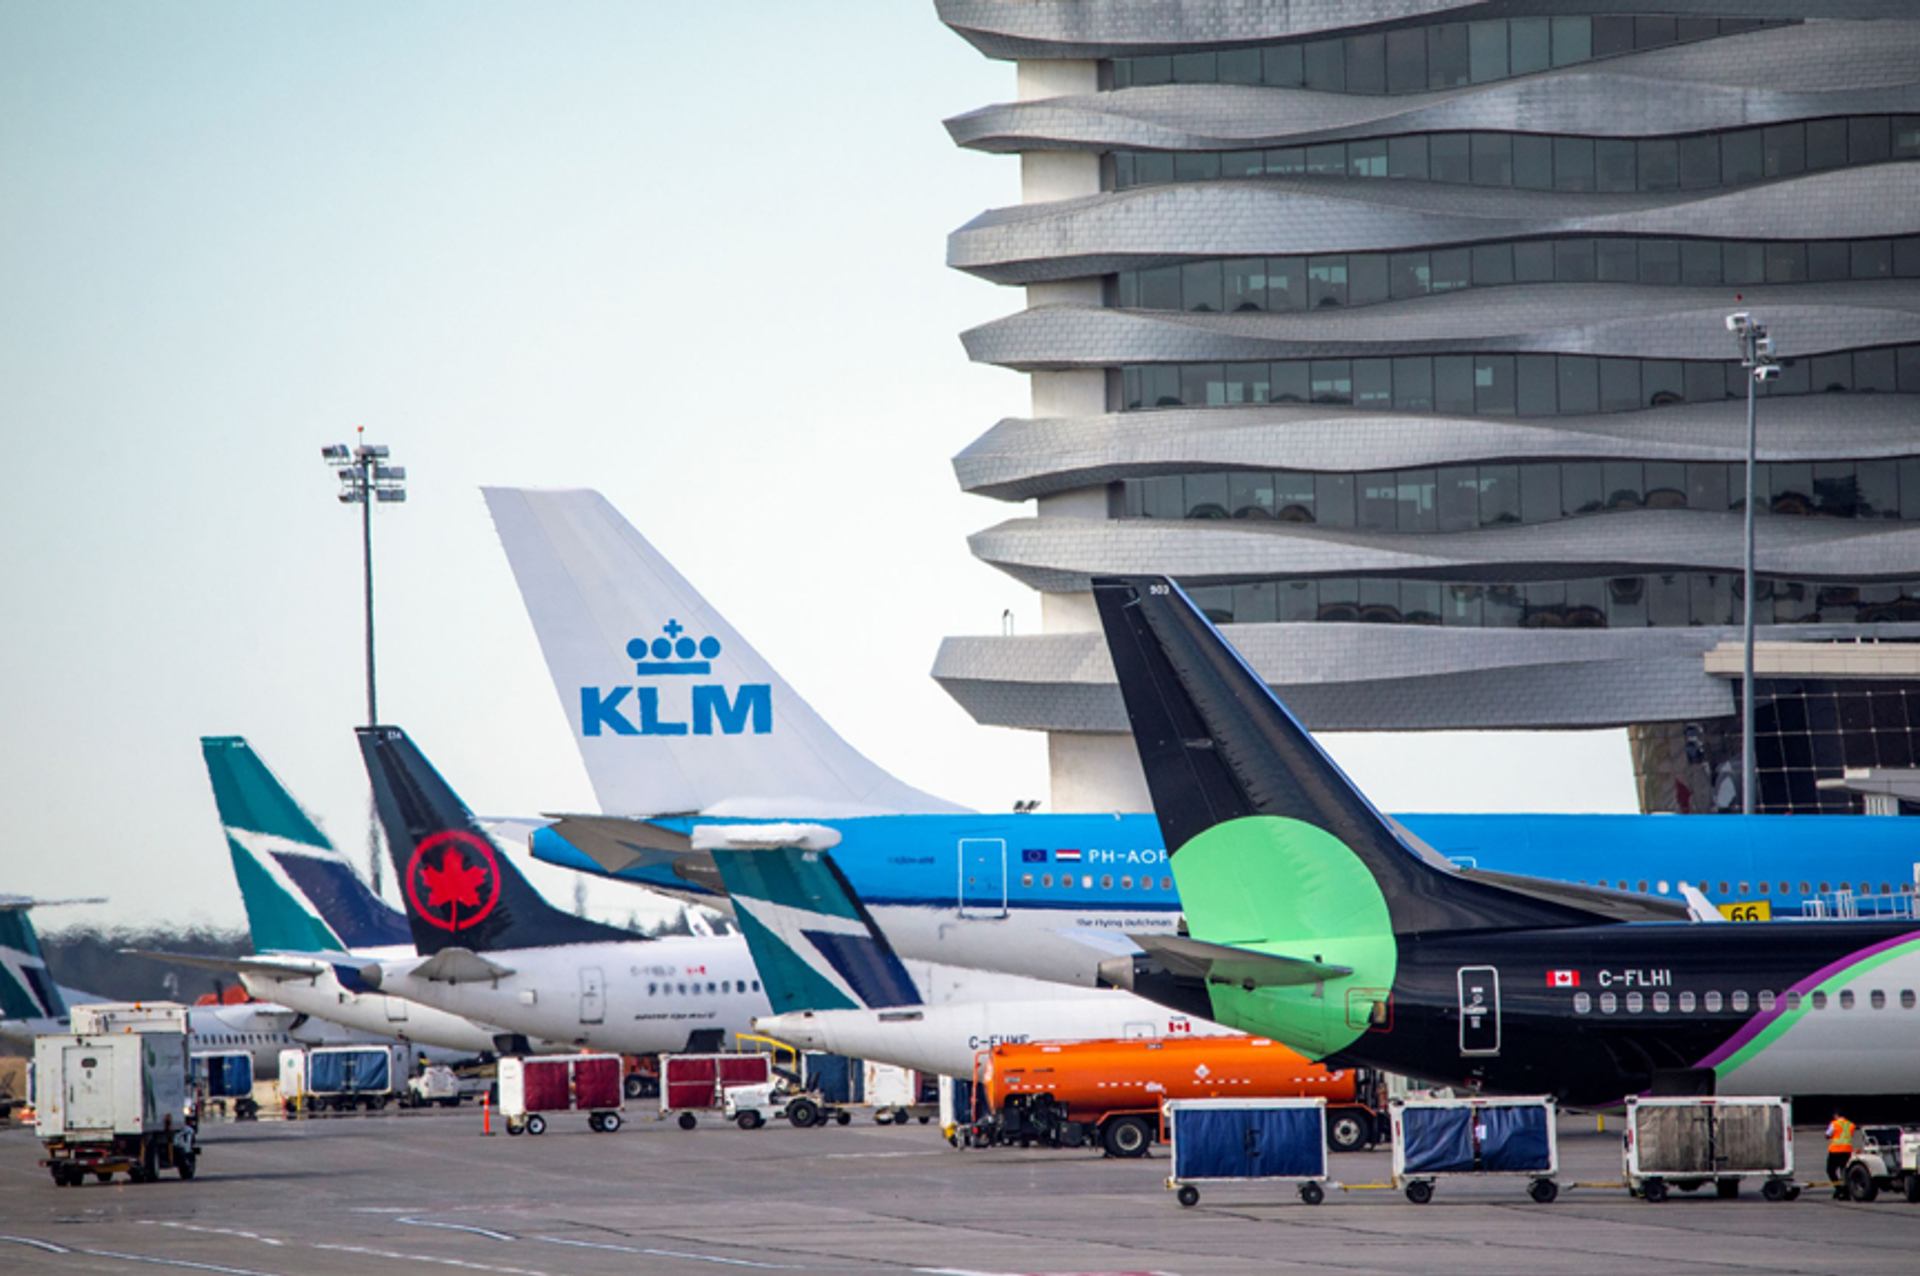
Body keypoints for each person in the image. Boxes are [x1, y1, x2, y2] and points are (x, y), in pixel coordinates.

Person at [1826, 1108, 1857, 1198]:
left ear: (1836, 1115)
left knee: (1830, 1171)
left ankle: (1839, 1189)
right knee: (1844, 1171)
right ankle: (1845, 1191)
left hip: (1835, 1151)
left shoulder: (1834, 1124)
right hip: (1847, 1151)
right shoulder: (1851, 1124)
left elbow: (1827, 1135)